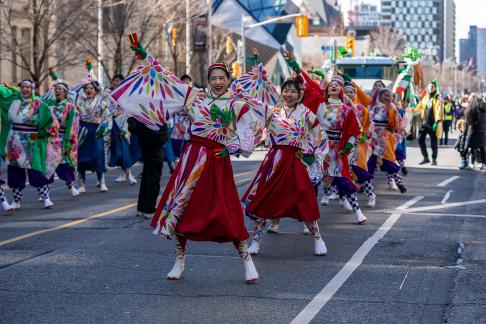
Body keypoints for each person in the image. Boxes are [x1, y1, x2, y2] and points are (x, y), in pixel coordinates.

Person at [112, 38, 264, 283]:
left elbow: (255, 129)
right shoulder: (194, 96)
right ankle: (179, 260)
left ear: (228, 79)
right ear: (207, 79)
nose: (217, 82)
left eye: (221, 77)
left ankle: (247, 260)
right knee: (183, 208)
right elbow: (166, 80)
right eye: (213, 78)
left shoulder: (236, 105)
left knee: (227, 211)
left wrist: (232, 148)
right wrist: (145, 58)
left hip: (217, 161)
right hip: (191, 160)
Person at [242, 76, 328, 256]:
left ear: (300, 94)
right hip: (274, 160)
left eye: (293, 91)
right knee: (265, 200)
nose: (288, 94)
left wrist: (312, 155)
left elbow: (319, 135)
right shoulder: (272, 111)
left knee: (303, 199)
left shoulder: (306, 114)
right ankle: (256, 241)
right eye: (286, 90)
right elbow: (253, 108)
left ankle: (318, 238)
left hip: (295, 160)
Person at [0, 80, 61, 209]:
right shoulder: (13, 101)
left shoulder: (39, 103)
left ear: (32, 89)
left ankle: (46, 198)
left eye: (28, 87)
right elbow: (2, 95)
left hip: (32, 141)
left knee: (36, 170)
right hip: (14, 141)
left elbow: (49, 120)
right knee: (15, 172)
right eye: (23, 87)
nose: (25, 89)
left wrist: (43, 134)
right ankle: (16, 201)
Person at [75, 59, 110, 193]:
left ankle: (102, 182)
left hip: (96, 130)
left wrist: (90, 71)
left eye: (91, 88)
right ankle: (82, 184)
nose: (89, 90)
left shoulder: (101, 101)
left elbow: (103, 92)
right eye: (87, 88)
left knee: (98, 155)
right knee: (81, 158)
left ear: (95, 91)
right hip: (83, 130)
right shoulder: (80, 101)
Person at [43, 81, 80, 197]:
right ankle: (45, 192)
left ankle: (70, 185)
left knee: (63, 164)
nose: (57, 91)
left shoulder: (70, 107)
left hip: (63, 138)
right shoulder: (49, 104)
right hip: (50, 138)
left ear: (65, 92)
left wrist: (67, 140)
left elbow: (74, 124)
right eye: (56, 89)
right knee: (47, 163)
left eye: (60, 89)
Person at [343, 82, 376, 207]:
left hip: (358, 144)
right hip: (344, 145)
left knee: (361, 171)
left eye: (351, 92)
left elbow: (369, 125)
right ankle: (348, 199)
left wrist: (364, 136)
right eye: (346, 92)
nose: (349, 94)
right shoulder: (340, 108)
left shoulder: (361, 108)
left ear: (355, 93)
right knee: (347, 174)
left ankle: (371, 195)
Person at [368, 88, 407, 194]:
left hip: (385, 137)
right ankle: (367, 188)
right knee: (369, 164)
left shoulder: (392, 108)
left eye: (389, 95)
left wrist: (399, 130)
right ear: (379, 95)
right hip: (372, 138)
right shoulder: (372, 107)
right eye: (384, 94)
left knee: (390, 162)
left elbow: (396, 124)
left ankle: (399, 183)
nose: (387, 97)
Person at [128, 117, 167, 218]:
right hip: (153, 140)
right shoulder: (153, 104)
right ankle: (149, 209)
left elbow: (132, 126)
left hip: (145, 139)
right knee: (153, 177)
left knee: (147, 175)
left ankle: (142, 207)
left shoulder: (138, 106)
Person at [107, 74, 140, 184]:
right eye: (114, 81)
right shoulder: (109, 94)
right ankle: (124, 173)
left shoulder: (127, 94)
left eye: (118, 81)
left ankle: (129, 174)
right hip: (113, 123)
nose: (116, 83)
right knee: (118, 150)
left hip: (125, 123)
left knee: (125, 149)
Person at [416, 80, 443, 165]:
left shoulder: (437, 97)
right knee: (420, 139)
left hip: (433, 124)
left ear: (435, 88)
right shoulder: (426, 97)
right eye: (430, 86)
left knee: (433, 142)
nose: (431, 88)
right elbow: (420, 107)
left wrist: (437, 121)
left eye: (433, 86)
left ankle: (434, 159)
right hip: (424, 123)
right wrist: (414, 106)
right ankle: (426, 157)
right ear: (427, 87)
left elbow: (439, 108)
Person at [459, 95, 486, 170]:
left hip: (473, 131)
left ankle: (471, 164)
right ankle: (483, 164)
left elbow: (468, 121)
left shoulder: (471, 109)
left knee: (472, 147)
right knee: (482, 148)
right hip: (482, 131)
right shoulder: (483, 108)